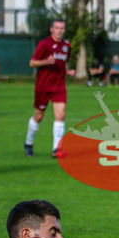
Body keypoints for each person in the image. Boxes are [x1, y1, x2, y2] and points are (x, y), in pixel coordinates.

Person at [24, 19, 74, 159]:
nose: (59, 31)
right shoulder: (44, 44)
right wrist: (46, 61)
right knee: (39, 116)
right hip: (43, 86)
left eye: (61, 28)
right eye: (57, 28)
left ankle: (56, 149)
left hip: (59, 86)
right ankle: (28, 143)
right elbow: (32, 63)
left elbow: (64, 62)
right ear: (51, 29)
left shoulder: (66, 45)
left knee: (61, 115)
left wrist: (68, 71)